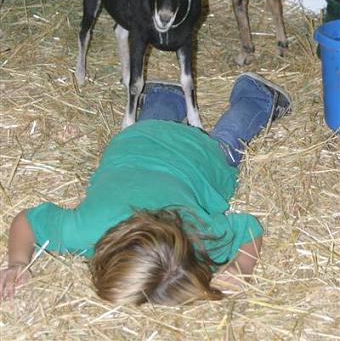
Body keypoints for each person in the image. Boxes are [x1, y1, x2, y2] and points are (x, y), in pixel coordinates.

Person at [0, 72, 291, 305]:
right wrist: (17, 262)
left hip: (181, 150)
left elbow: (250, 228)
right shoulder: (82, 231)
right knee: (165, 130)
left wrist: (243, 266)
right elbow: (26, 222)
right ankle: (168, 95)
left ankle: (253, 96)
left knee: (226, 142)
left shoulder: (203, 238)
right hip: (135, 140)